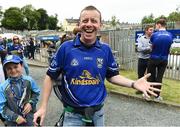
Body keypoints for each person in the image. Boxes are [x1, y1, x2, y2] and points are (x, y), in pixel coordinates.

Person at [33, 5, 161, 126]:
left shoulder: (105, 50)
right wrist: (43, 107)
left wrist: (133, 83)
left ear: (100, 25)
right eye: (85, 20)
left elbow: (112, 76)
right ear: (79, 24)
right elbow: (50, 77)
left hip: (98, 115)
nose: (89, 24)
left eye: (93, 21)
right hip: (72, 116)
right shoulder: (66, 48)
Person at [0, 55, 40, 126]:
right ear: (5, 70)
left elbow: (36, 93)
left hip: (30, 119)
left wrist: (30, 103)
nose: (13, 70)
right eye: (9, 68)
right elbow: (2, 107)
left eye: (15, 67)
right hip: (13, 123)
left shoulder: (29, 80)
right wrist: (15, 117)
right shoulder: (3, 87)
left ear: (21, 65)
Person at [147, 18, 173, 101]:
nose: (155, 27)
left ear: (159, 25)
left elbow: (151, 47)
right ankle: (157, 96)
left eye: (156, 25)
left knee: (150, 76)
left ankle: (148, 95)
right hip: (164, 59)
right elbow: (169, 48)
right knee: (159, 78)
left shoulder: (154, 35)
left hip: (154, 58)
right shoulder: (170, 35)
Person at [136, 25, 154, 95]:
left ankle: (148, 90)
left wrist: (145, 48)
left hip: (150, 59)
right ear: (146, 31)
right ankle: (140, 89)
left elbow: (154, 49)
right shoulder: (141, 38)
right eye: (150, 30)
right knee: (140, 75)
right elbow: (139, 49)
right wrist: (149, 48)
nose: (152, 31)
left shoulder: (154, 38)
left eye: (153, 30)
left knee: (149, 76)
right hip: (141, 59)